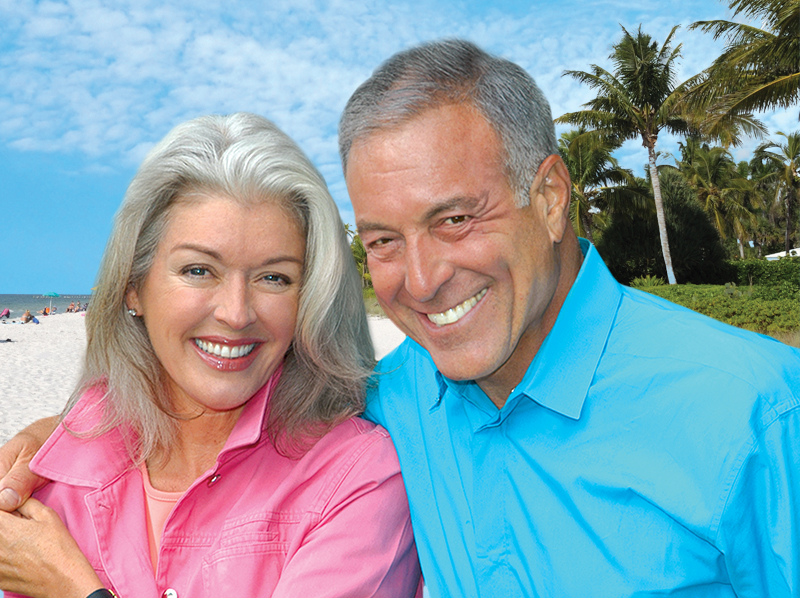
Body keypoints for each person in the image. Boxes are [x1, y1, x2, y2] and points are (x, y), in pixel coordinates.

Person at [3, 39, 799, 597]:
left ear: (551, 197)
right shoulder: (392, 398)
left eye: (455, 219)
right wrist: (69, 428)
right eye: (384, 239)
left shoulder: (758, 410)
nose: (420, 280)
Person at [0, 113, 421, 598]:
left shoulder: (356, 478)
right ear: (134, 287)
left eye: (274, 278)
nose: (237, 313)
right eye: (199, 270)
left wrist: (73, 590)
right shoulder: (48, 473)